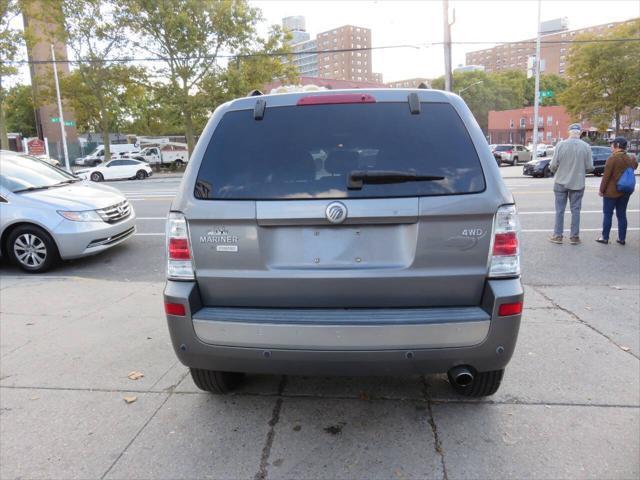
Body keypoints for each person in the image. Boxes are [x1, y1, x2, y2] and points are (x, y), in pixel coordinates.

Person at [548, 123, 594, 245]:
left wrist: (555, 170)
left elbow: (553, 165)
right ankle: (574, 237)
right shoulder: (586, 147)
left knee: (560, 210)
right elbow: (590, 167)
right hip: (578, 182)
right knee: (576, 210)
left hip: (560, 182)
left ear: (569, 132)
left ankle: (558, 236)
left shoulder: (561, 145)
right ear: (580, 133)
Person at [596, 137, 638, 245]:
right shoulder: (630, 158)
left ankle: (605, 237)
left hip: (611, 192)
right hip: (625, 191)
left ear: (617, 145)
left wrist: (601, 190)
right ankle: (622, 238)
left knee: (608, 214)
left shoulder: (612, 158)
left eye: (612, 144)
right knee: (622, 214)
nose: (611, 146)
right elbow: (635, 166)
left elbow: (606, 176)